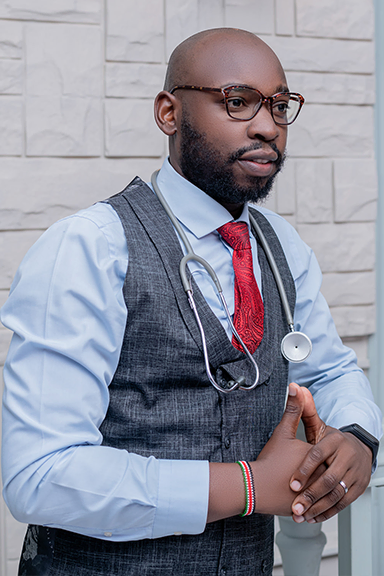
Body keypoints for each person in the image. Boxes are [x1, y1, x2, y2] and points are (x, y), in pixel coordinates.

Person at [1, 27, 381, 576]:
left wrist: (358, 437)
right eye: (237, 101)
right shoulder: (92, 247)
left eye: (279, 105)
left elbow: (332, 370)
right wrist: (248, 486)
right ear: (168, 112)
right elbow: (39, 475)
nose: (267, 126)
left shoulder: (281, 247)